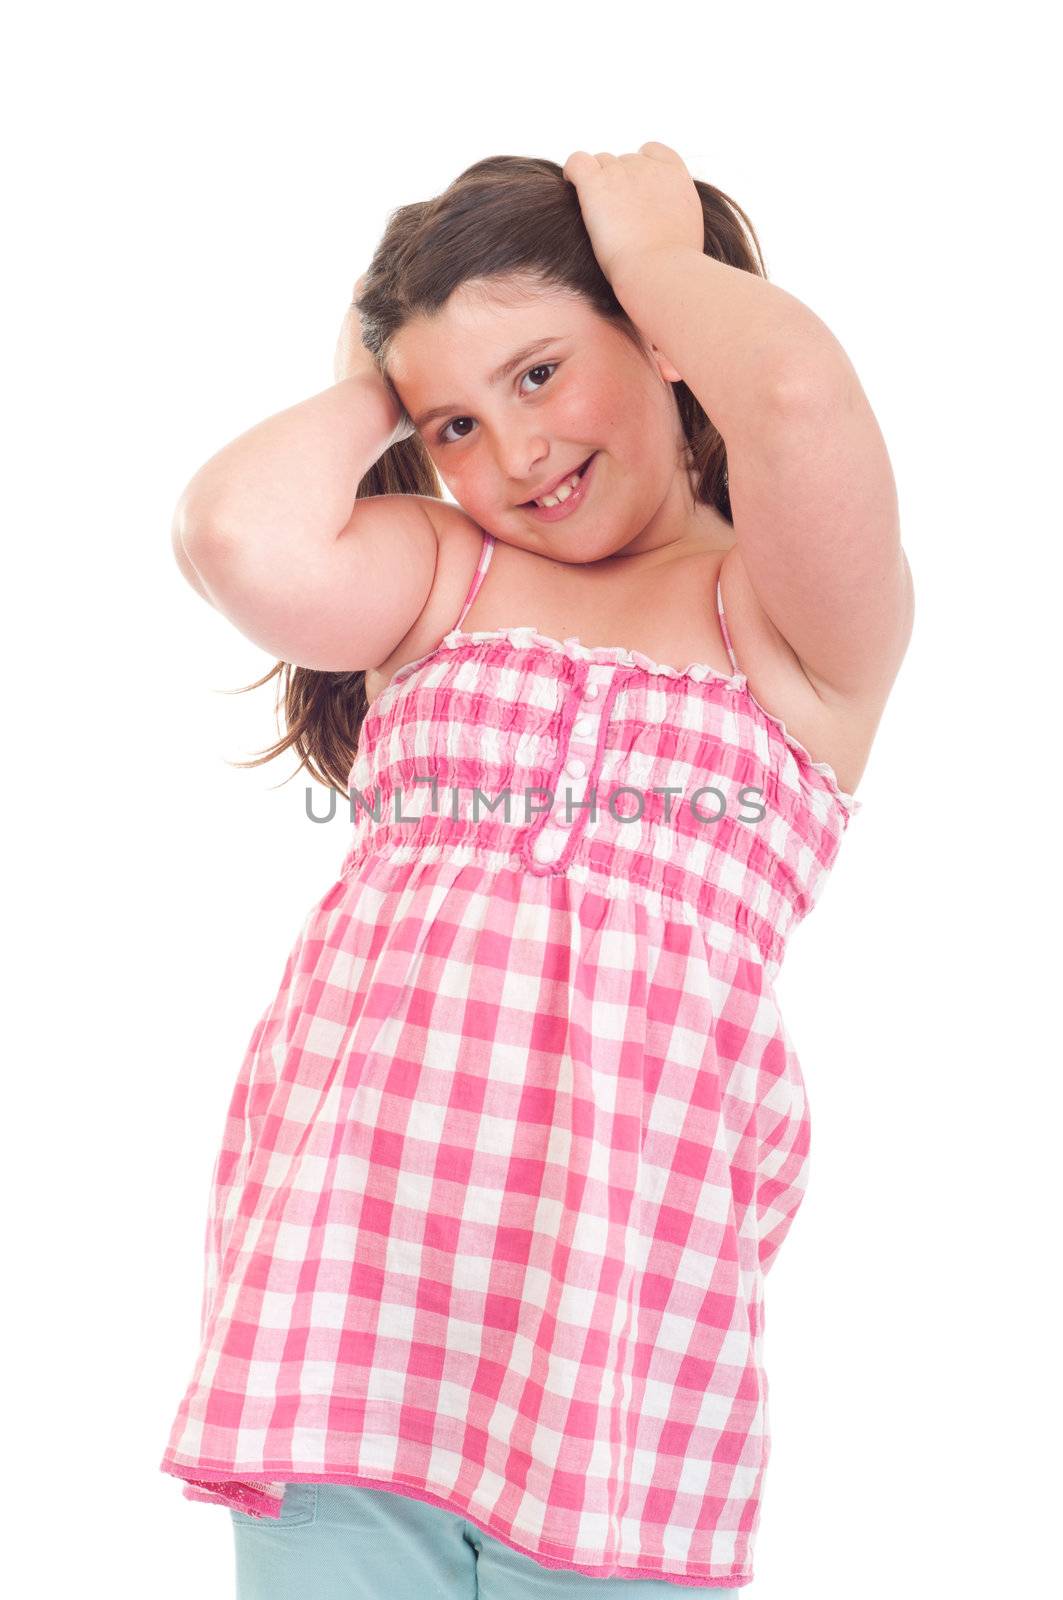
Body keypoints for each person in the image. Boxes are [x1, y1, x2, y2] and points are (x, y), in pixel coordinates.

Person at [158, 143, 913, 1596]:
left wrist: (663, 264)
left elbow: (803, 400)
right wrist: (391, 360)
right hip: (346, 1314)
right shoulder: (446, 578)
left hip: (612, 1345)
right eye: (453, 423)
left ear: (659, 345)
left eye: (543, 375)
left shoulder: (782, 616)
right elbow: (233, 529)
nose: (511, 456)